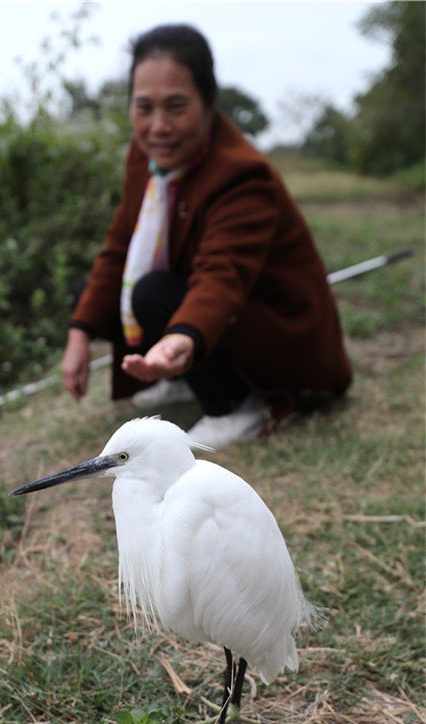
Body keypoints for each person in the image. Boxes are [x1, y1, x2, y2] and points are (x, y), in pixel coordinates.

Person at [61, 24, 352, 448]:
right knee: (91, 295)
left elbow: (223, 275)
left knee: (152, 293)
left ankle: (237, 405)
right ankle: (185, 379)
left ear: (209, 103)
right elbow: (120, 247)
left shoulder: (241, 175)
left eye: (176, 106)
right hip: (214, 315)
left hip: (281, 335)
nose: (158, 126)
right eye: (144, 107)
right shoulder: (146, 160)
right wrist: (78, 334)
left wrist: (182, 337)